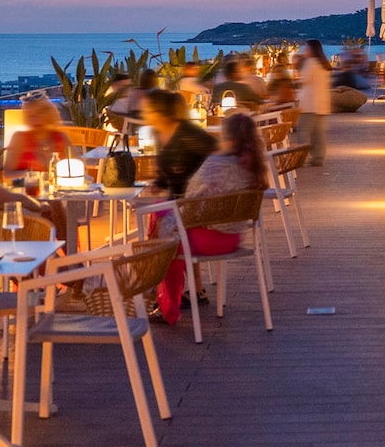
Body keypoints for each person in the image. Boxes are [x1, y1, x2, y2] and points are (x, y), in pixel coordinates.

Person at [154, 112, 270, 323]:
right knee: (165, 222)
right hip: (234, 238)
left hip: (208, 240)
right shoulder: (254, 167)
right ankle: (177, 296)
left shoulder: (215, 164)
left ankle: (168, 306)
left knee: (164, 237)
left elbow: (190, 201)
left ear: (226, 137)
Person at [138, 89, 216, 199]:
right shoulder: (158, 132)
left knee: (152, 213)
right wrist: (160, 183)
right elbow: (169, 164)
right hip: (177, 199)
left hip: (196, 200)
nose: (142, 114)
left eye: (146, 110)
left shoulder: (187, 133)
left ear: (159, 112)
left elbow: (218, 152)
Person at [3, 94, 73, 175]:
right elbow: (7, 174)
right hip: (26, 186)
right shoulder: (19, 138)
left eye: (40, 113)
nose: (35, 119)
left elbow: (80, 165)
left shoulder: (61, 138)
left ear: (49, 114)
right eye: (30, 115)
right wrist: (36, 176)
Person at [294, 39, 333, 166]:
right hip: (321, 103)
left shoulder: (311, 63)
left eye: (306, 48)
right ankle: (318, 157)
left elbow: (304, 80)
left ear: (311, 49)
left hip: (309, 104)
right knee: (319, 133)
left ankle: (301, 158)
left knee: (303, 132)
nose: (304, 51)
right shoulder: (323, 64)